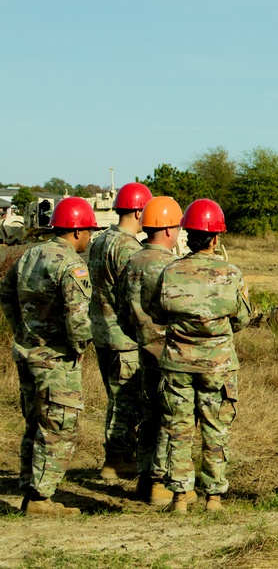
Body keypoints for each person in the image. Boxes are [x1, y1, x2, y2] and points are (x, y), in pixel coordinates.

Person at [0, 197, 102, 515]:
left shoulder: (30, 254)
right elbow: (78, 317)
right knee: (59, 424)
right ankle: (41, 500)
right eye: (88, 230)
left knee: (35, 422)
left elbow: (5, 292)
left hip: (27, 352)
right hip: (56, 358)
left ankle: (31, 487)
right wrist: (78, 348)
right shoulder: (71, 264)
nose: (90, 237)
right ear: (76, 230)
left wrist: (21, 329)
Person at [150, 199, 251, 513]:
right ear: (216, 238)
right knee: (215, 429)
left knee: (178, 429)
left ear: (186, 234)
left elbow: (155, 312)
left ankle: (179, 498)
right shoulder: (231, 273)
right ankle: (214, 499)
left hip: (176, 363)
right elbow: (243, 317)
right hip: (217, 365)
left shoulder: (170, 271)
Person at [119, 196, 184, 506]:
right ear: (170, 230)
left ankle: (145, 478)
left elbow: (121, 311)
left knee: (149, 414)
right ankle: (161, 483)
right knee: (170, 416)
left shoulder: (132, 261)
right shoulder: (171, 265)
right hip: (169, 352)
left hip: (142, 348)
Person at [89, 181, 152, 479]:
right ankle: (117, 459)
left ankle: (119, 456)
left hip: (101, 331)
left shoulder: (101, 240)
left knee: (117, 397)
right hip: (123, 336)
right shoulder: (128, 247)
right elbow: (134, 293)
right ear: (138, 211)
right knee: (127, 400)